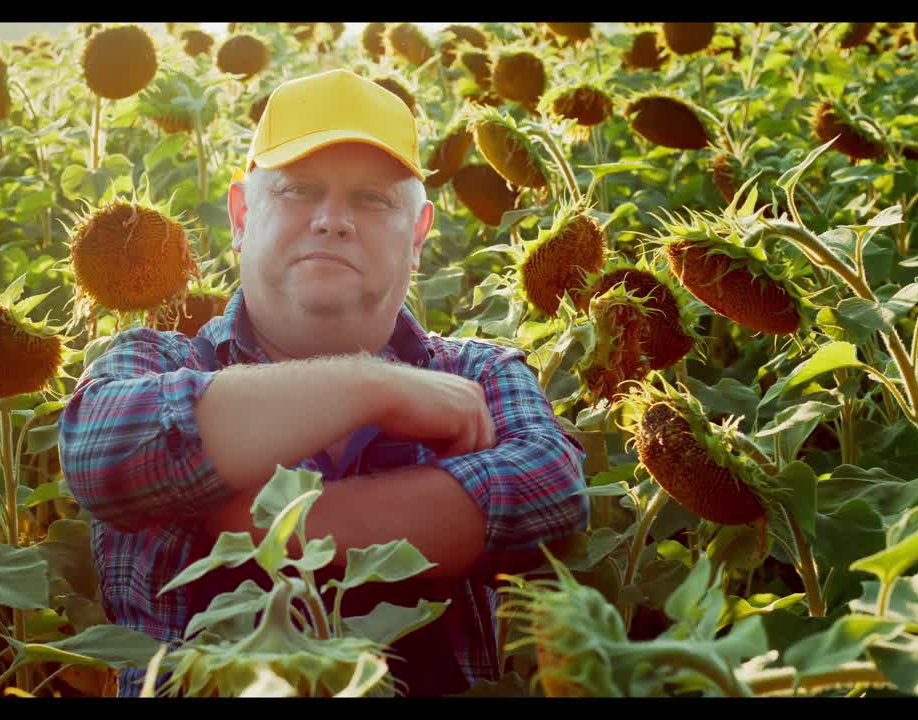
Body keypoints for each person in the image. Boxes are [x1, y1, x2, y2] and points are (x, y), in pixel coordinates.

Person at [59, 68, 589, 698]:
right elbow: (103, 452)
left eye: (373, 199)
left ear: (417, 238)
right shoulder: (154, 362)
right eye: (299, 190)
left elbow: (549, 493)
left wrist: (253, 517)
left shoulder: (480, 374)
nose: (333, 220)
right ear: (240, 215)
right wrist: (370, 385)